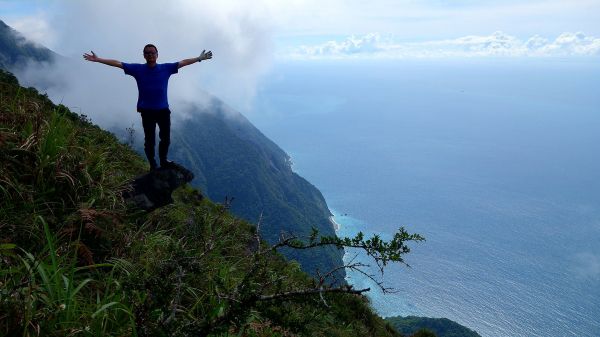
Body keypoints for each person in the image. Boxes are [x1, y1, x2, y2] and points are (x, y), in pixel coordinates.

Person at [83, 44, 213, 170]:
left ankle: (163, 161)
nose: (150, 55)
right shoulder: (138, 69)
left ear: (157, 55)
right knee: (150, 141)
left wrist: (199, 58)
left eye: (152, 52)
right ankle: (152, 164)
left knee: (166, 139)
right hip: (147, 111)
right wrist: (98, 59)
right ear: (144, 55)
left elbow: (183, 62)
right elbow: (118, 63)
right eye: (147, 53)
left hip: (163, 110)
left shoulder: (166, 68)